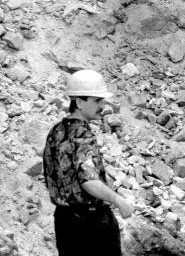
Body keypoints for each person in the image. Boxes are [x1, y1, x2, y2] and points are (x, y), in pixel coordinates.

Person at [43, 69, 134, 256]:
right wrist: (119, 201)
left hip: (64, 222)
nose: (102, 105)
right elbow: (89, 181)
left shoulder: (56, 131)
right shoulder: (82, 134)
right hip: (91, 223)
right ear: (78, 102)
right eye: (97, 100)